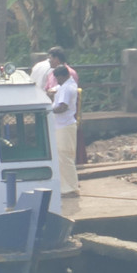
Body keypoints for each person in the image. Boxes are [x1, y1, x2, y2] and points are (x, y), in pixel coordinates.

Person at [50, 65, 80, 198]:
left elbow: (63, 107)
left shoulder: (67, 88)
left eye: (58, 79)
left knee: (65, 156)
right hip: (64, 125)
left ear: (62, 76)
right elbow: (55, 90)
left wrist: (48, 110)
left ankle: (70, 188)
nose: (57, 81)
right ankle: (66, 186)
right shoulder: (67, 84)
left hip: (64, 125)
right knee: (63, 156)